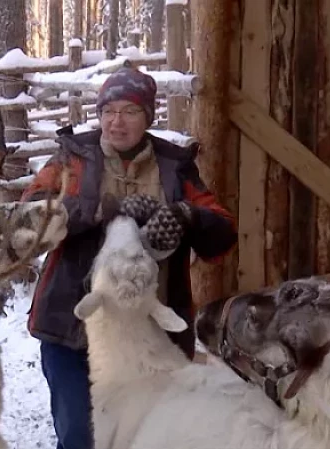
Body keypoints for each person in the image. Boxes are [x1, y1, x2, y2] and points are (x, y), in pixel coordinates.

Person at [20, 66, 238, 449]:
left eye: (130, 111)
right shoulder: (73, 159)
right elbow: (30, 216)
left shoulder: (173, 167)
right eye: (108, 111)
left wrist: (188, 217)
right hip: (72, 328)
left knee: (147, 437)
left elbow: (222, 233)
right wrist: (100, 210)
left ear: (148, 117)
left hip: (149, 337)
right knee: (80, 437)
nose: (115, 122)